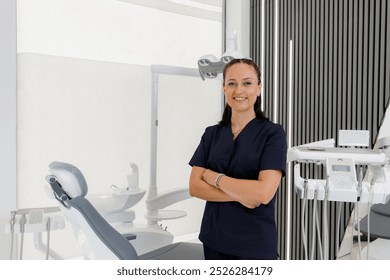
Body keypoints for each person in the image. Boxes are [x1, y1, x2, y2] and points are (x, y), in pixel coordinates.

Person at [188, 58, 287, 260]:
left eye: (247, 83)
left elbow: (263, 194)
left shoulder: (273, 134)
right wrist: (243, 195)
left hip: (254, 245)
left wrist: (214, 178)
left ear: (259, 89)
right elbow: (195, 187)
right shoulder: (212, 134)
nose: (238, 90)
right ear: (224, 88)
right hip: (214, 240)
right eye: (232, 83)